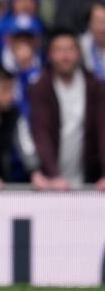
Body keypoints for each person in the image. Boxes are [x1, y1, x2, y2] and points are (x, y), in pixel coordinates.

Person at [28, 29, 105, 190]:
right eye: (59, 50)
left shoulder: (94, 86)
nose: (65, 56)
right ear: (50, 54)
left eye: (70, 49)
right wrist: (53, 176)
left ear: (79, 53)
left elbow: (102, 130)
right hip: (50, 181)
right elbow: (41, 133)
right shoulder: (41, 87)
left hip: (90, 178)